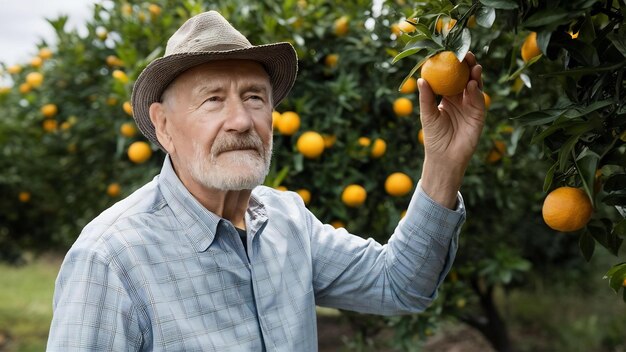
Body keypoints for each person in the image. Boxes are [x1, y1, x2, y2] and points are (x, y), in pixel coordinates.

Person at [47, 10, 484, 352]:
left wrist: (443, 166)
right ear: (163, 127)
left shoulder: (287, 219)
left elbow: (401, 284)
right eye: (213, 100)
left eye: (254, 97)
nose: (241, 120)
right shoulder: (111, 259)